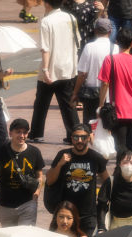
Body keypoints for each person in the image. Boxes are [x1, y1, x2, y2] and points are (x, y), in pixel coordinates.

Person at [30, 0, 80, 144]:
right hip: (68, 66)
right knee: (68, 104)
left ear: (47, 4)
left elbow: (45, 48)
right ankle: (74, 135)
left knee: (41, 103)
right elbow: (77, 41)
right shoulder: (71, 18)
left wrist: (45, 69)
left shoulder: (46, 21)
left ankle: (36, 133)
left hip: (51, 68)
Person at [46, 123, 109, 236]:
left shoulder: (95, 157)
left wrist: (104, 201)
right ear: (72, 138)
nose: (79, 140)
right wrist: (60, 164)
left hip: (88, 215)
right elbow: (50, 180)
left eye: (83, 137)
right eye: (76, 137)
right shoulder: (62, 154)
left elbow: (107, 182)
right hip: (65, 214)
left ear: (89, 138)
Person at [97, 28, 132, 156]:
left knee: (120, 147)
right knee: (131, 146)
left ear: (117, 43)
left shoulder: (110, 60)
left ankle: (123, 173)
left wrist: (101, 104)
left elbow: (104, 84)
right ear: (131, 44)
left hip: (116, 111)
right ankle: (131, 172)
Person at [72, 18, 118, 126]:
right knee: (107, 125)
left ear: (95, 30)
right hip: (109, 95)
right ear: (110, 32)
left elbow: (82, 74)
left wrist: (75, 92)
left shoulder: (89, 47)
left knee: (89, 125)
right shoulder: (115, 48)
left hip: (91, 94)